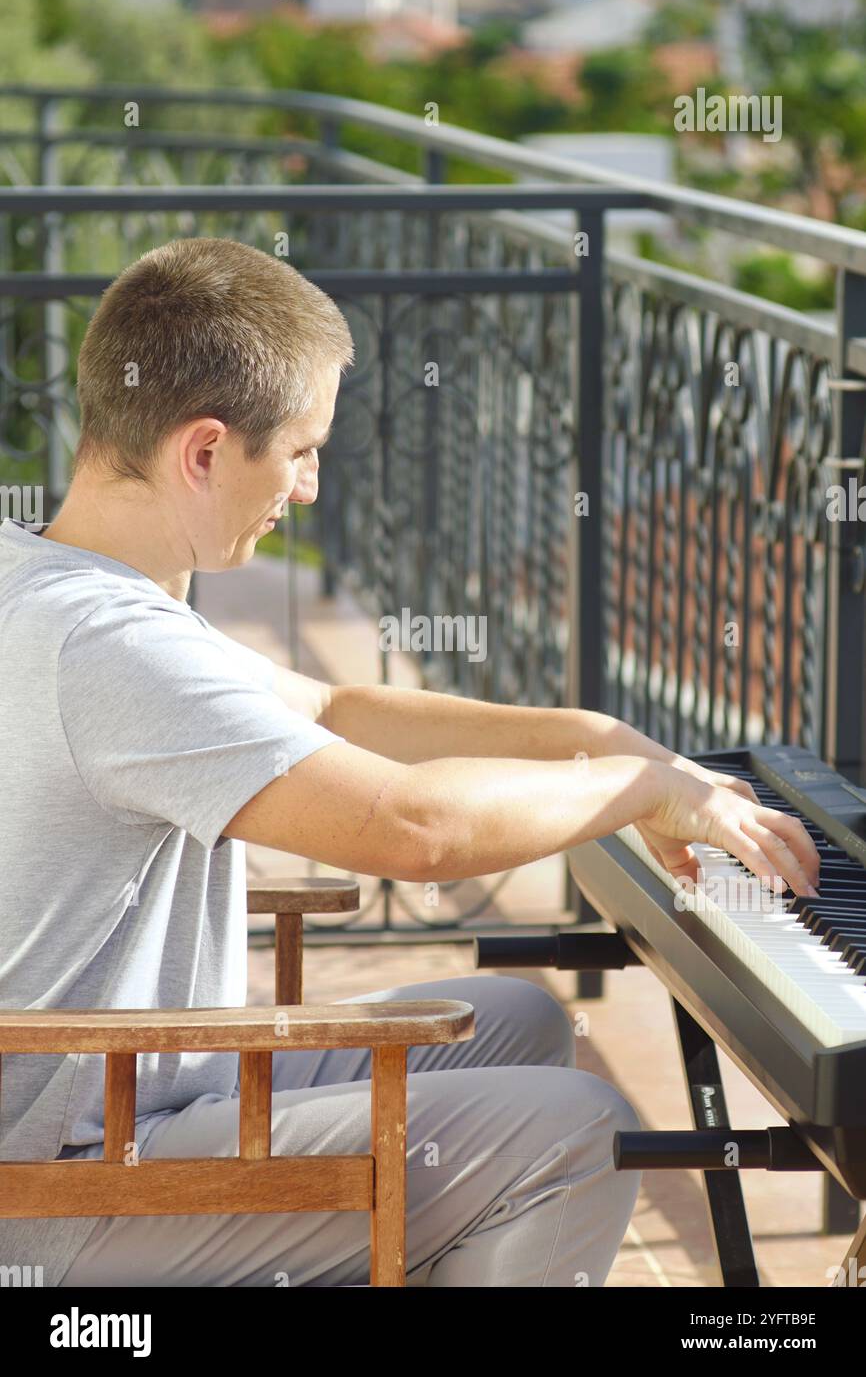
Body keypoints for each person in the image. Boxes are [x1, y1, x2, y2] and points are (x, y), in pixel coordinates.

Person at [0, 237, 819, 1288]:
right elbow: (412, 830)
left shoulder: (59, 576)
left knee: (516, 1019)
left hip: (141, 1089)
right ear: (203, 452)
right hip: (73, 1188)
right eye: (300, 450)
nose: (306, 486)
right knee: (579, 1133)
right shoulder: (113, 646)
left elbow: (338, 705)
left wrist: (607, 740)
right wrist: (641, 791)